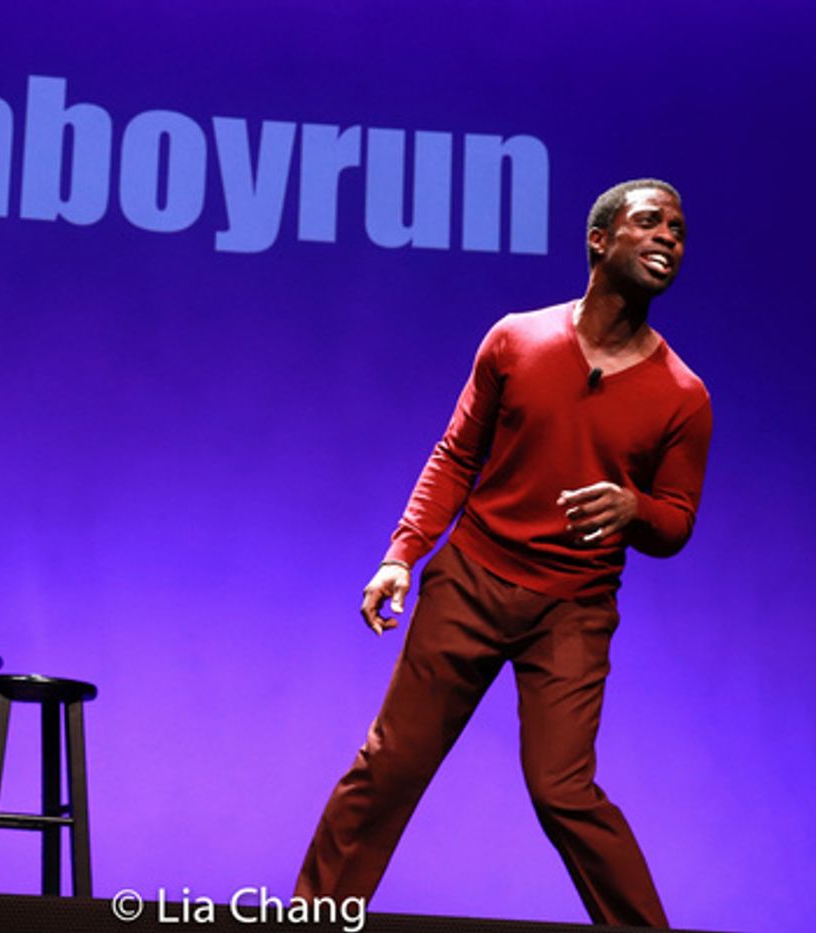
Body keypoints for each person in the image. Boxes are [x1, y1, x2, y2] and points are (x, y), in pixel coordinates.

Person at [294, 179, 711, 929]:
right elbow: (457, 454)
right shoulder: (517, 339)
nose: (668, 240)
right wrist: (402, 553)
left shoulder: (682, 395)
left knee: (563, 790)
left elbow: (676, 521)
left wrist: (633, 508)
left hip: (573, 609)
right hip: (473, 583)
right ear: (599, 240)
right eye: (650, 223)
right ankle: (313, 920)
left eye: (679, 232)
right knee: (391, 764)